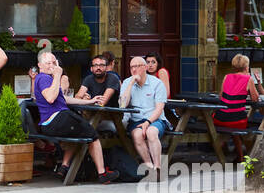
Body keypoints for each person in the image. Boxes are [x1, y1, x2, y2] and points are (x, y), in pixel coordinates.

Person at [37, 51, 118, 184]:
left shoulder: (47, 79)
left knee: (79, 134)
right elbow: (51, 98)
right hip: (57, 119)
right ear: (40, 65)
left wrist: (89, 101)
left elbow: (64, 99)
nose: (52, 66)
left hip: (53, 122)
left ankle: (64, 167)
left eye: (53, 62)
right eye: (48, 63)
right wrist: (58, 75)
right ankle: (102, 173)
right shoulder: (44, 78)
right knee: (93, 135)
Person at [120, 56, 170, 178]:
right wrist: (131, 83)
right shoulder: (127, 82)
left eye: (137, 66)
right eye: (132, 67)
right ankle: (149, 167)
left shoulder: (157, 83)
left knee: (151, 132)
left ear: (145, 68)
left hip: (155, 119)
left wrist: (148, 122)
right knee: (137, 135)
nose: (134, 69)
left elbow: (159, 108)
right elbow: (122, 105)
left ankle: (157, 167)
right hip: (136, 120)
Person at [214, 54, 260, 157]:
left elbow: (221, 96)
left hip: (220, 118)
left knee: (233, 131)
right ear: (246, 67)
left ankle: (238, 157)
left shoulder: (226, 77)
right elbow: (255, 98)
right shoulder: (248, 79)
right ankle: (242, 157)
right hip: (237, 120)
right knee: (238, 128)